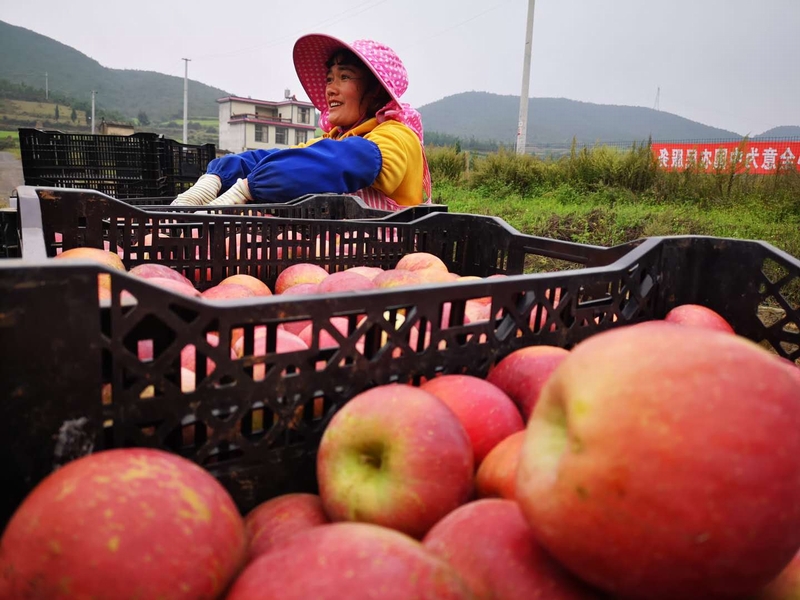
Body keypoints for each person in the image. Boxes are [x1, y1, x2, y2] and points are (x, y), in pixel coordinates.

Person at [172, 34, 430, 211]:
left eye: (344, 77)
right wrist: (220, 175)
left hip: (386, 263)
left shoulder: (397, 135)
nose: (331, 89)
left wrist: (250, 187)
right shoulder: (335, 139)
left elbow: (354, 160)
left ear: (375, 91)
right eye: (329, 79)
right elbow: (289, 156)